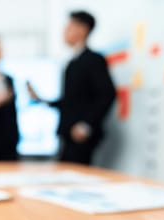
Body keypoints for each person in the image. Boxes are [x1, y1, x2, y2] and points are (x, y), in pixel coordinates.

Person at [27, 11, 116, 165]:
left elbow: (107, 94)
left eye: (69, 27)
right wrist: (41, 100)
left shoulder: (94, 60)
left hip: (81, 136)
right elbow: (71, 102)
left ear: (82, 30)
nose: (64, 32)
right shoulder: (72, 63)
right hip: (67, 133)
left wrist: (86, 125)